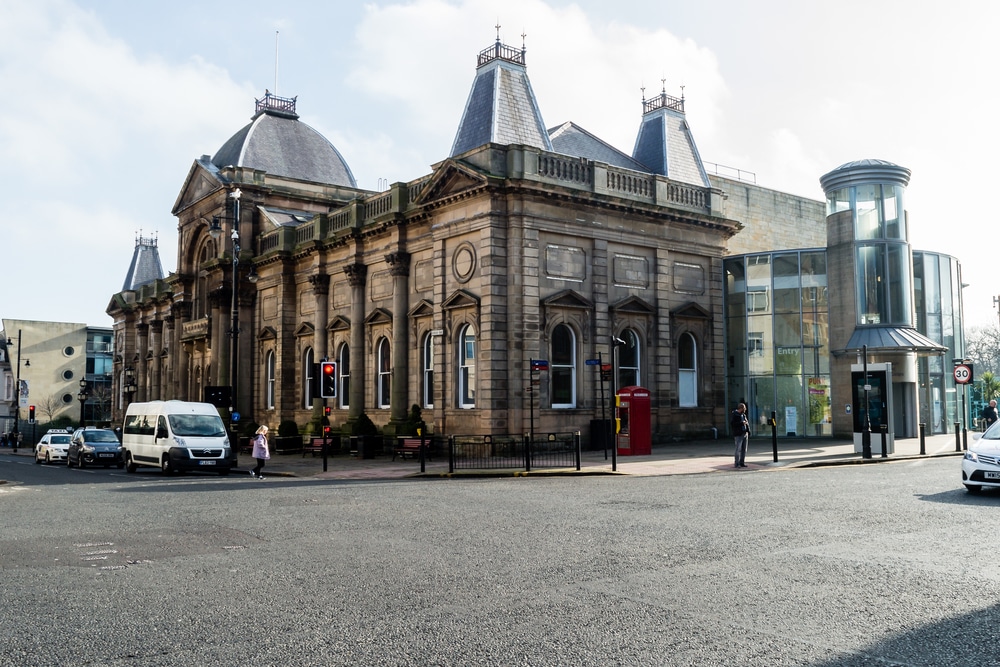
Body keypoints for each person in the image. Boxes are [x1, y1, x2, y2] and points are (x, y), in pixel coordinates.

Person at [730, 402, 750, 468]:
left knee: (744, 449)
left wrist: (748, 431)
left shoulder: (743, 415)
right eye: (744, 409)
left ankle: (742, 462)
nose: (745, 410)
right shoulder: (734, 415)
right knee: (738, 449)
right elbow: (733, 424)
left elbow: (746, 423)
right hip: (738, 434)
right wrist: (741, 423)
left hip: (745, 433)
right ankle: (737, 463)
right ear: (740, 408)